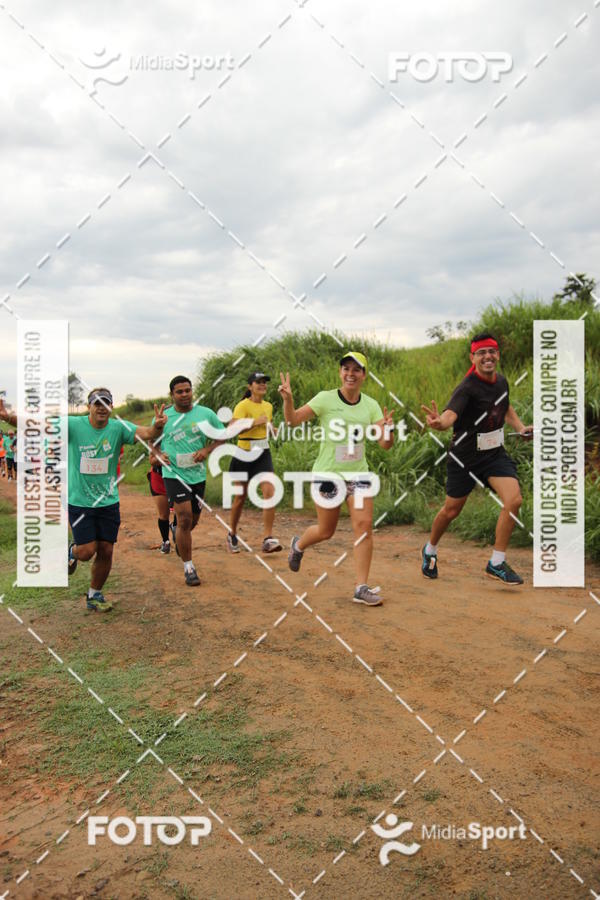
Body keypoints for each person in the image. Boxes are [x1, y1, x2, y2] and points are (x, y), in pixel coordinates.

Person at [0, 389, 167, 611]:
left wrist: (158, 425)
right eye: (96, 403)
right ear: (89, 406)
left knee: (106, 549)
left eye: (105, 403)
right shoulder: (73, 425)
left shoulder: (118, 428)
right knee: (87, 551)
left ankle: (94, 595)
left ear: (111, 406)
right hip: (79, 502)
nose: (101, 407)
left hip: (108, 502)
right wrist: (7, 417)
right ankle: (72, 552)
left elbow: (147, 433)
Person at [279, 351, 394, 606]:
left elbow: (384, 444)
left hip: (359, 475)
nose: (350, 374)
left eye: (356, 369)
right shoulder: (325, 399)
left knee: (363, 526)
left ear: (364, 374)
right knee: (325, 531)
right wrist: (289, 399)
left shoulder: (371, 405)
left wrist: (389, 429)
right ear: (341, 373)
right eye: (346, 369)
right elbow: (293, 420)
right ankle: (298, 545)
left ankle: (361, 587)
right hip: (328, 476)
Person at [421, 332, 533, 585]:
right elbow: (450, 415)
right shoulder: (467, 388)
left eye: (491, 351)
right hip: (465, 458)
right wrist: (440, 424)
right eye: (481, 353)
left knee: (514, 500)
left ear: (498, 355)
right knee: (451, 511)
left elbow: (505, 407)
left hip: (494, 456)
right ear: (473, 357)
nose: (488, 357)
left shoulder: (501, 382)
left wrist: (521, 426)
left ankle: (496, 562)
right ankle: (430, 549)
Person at [152, 376, 225, 587]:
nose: (184, 394)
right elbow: (152, 440)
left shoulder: (206, 414)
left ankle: (179, 535)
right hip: (173, 474)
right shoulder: (164, 417)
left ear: (192, 391)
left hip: (197, 475)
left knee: (191, 521)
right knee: (183, 518)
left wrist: (206, 450)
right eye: (179, 392)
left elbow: (222, 437)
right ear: (172, 395)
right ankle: (189, 567)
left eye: (187, 390)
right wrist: (157, 454)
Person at [226, 372, 282, 555]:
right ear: (250, 386)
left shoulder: (268, 406)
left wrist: (272, 429)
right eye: (258, 382)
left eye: (264, 382)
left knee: (269, 492)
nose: (262, 385)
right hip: (244, 453)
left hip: (262, 453)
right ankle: (232, 533)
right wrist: (255, 421)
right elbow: (232, 428)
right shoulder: (243, 406)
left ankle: (268, 538)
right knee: (240, 498)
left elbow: (266, 425)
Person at [147, 448, 174, 554]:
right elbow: (152, 460)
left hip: (177, 476)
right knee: (164, 513)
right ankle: (165, 541)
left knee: (180, 511)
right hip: (158, 476)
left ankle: (175, 527)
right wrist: (161, 458)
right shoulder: (157, 436)